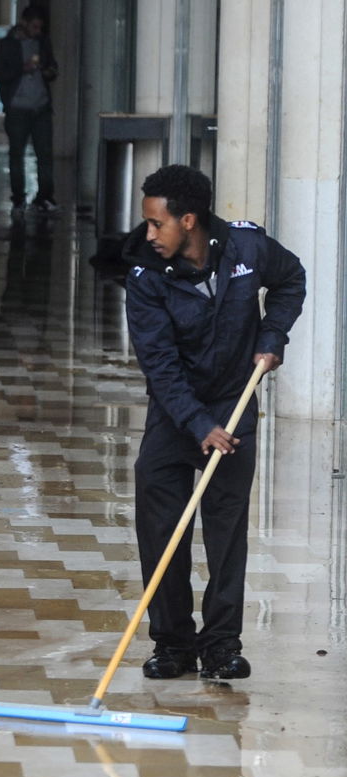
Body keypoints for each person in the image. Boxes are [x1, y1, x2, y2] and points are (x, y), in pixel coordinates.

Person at [122, 165, 305, 680]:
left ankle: (221, 645)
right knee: (162, 528)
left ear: (189, 219)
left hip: (234, 404)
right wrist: (199, 423)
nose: (149, 234)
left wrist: (273, 337)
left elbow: (292, 280)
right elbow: (158, 364)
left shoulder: (248, 250)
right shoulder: (144, 274)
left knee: (226, 532)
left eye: (158, 224)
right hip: (175, 413)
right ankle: (173, 644)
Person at [0, 4, 57, 216]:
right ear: (25, 23)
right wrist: (22, 69)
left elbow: (53, 68)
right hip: (17, 109)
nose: (38, 31)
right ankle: (19, 197)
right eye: (35, 27)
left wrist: (48, 71)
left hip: (41, 107)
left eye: (40, 28)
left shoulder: (43, 43)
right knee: (16, 154)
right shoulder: (7, 45)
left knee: (44, 154)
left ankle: (44, 196)